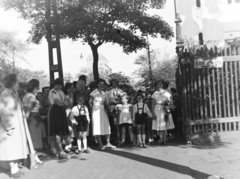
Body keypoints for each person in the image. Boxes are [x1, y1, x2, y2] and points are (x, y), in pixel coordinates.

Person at [0, 74, 35, 178]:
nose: (17, 83)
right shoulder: (5, 95)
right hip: (11, 126)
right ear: (12, 83)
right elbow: (4, 112)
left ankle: (14, 168)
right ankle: (13, 170)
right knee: (11, 147)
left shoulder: (13, 93)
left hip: (17, 124)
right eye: (16, 81)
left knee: (16, 147)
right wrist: (9, 127)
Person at [22, 79, 46, 168]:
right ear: (34, 87)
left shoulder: (27, 95)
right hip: (32, 118)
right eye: (38, 86)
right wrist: (25, 120)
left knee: (32, 140)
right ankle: (33, 161)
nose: (39, 88)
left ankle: (34, 159)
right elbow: (28, 109)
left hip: (32, 118)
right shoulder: (31, 97)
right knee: (34, 140)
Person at [89, 78, 116, 150]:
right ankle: (100, 144)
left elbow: (106, 103)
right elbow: (90, 103)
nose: (102, 85)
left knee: (107, 125)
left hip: (103, 110)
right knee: (97, 126)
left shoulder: (105, 93)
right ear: (97, 84)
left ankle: (108, 143)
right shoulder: (93, 92)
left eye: (103, 83)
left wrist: (109, 108)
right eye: (100, 83)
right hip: (96, 110)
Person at [48, 78, 70, 159]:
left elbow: (67, 102)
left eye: (61, 85)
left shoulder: (61, 92)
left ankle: (57, 150)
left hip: (61, 111)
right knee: (57, 132)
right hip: (55, 112)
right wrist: (64, 102)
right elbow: (60, 103)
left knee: (61, 132)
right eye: (58, 85)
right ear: (54, 84)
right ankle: (60, 151)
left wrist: (64, 102)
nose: (60, 86)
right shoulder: (52, 92)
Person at [152, 80, 175, 145]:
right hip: (157, 109)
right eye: (157, 84)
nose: (158, 86)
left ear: (163, 85)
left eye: (160, 84)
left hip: (164, 109)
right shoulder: (154, 93)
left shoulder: (167, 93)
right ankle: (160, 139)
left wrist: (166, 104)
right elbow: (153, 104)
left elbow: (171, 103)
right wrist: (153, 113)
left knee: (164, 125)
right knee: (158, 125)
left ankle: (164, 139)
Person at [106, 79, 124, 144]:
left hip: (120, 107)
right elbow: (107, 101)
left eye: (115, 83)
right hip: (112, 108)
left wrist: (120, 102)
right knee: (114, 124)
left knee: (120, 124)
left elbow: (124, 99)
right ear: (111, 84)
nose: (114, 84)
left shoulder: (121, 91)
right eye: (113, 83)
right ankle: (115, 139)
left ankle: (121, 139)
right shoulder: (108, 92)